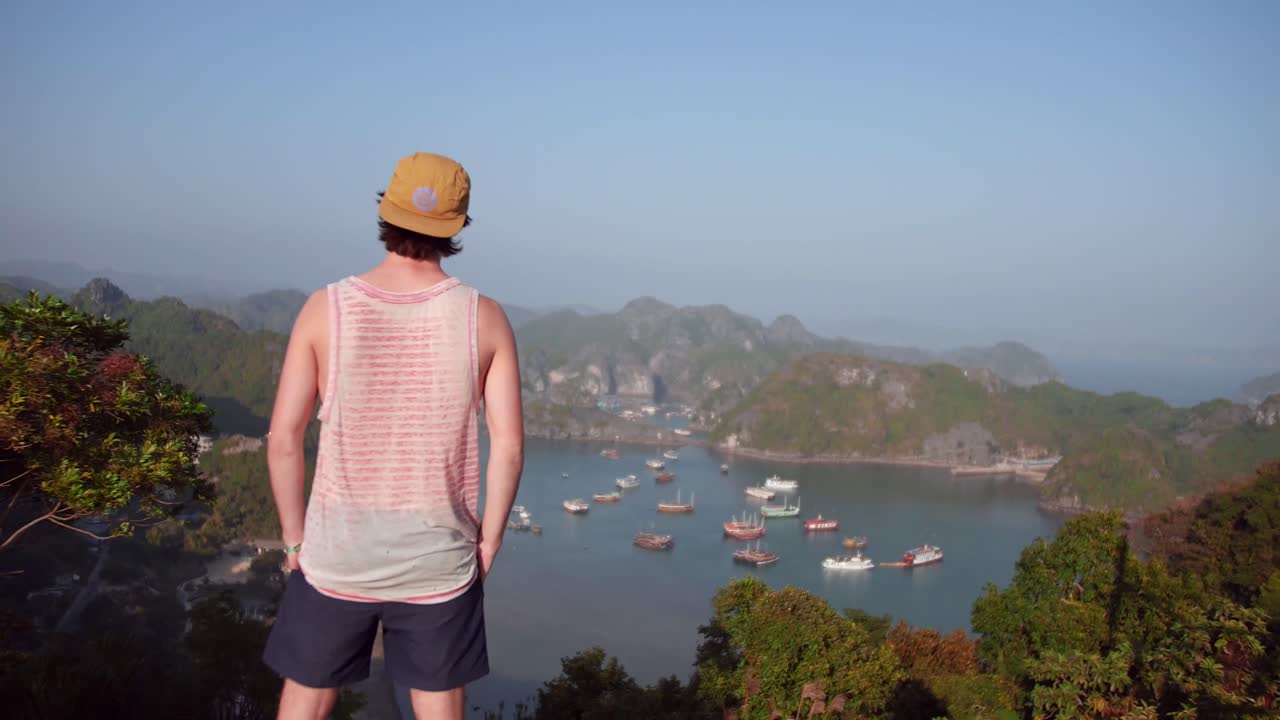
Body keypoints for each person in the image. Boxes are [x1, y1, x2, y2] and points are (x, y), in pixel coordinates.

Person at [262, 152, 524, 720]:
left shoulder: (325, 308)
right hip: (439, 559)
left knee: (305, 701)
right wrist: (490, 542)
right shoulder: (485, 317)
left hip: (336, 554)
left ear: (387, 209)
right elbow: (507, 447)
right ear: (458, 224)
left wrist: (294, 542)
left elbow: (283, 438)